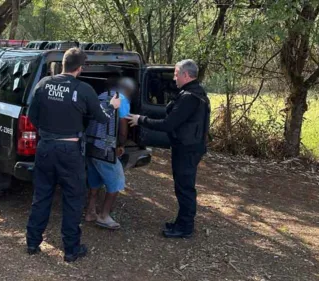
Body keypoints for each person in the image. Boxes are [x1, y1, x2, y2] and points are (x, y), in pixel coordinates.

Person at [26, 48, 121, 262]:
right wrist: (112, 106)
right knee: (73, 199)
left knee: (41, 196)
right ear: (80, 68)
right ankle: (71, 249)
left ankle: (32, 243)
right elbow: (102, 118)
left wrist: (49, 133)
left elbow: (32, 116)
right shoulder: (84, 89)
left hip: (45, 148)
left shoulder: (43, 85)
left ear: (62, 64)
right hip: (70, 151)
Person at [127, 59, 210, 238]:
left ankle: (185, 228)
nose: (174, 78)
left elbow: (168, 124)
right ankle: (181, 222)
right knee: (183, 187)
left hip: (188, 149)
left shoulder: (190, 97)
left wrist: (141, 120)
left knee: (185, 189)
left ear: (185, 75)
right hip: (189, 146)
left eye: (176, 74)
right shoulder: (194, 92)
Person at [84, 77, 136, 230]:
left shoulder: (98, 96)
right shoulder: (122, 100)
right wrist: (120, 145)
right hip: (106, 147)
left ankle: (90, 211)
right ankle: (104, 216)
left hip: (91, 145)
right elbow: (123, 128)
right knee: (116, 180)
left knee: (94, 179)